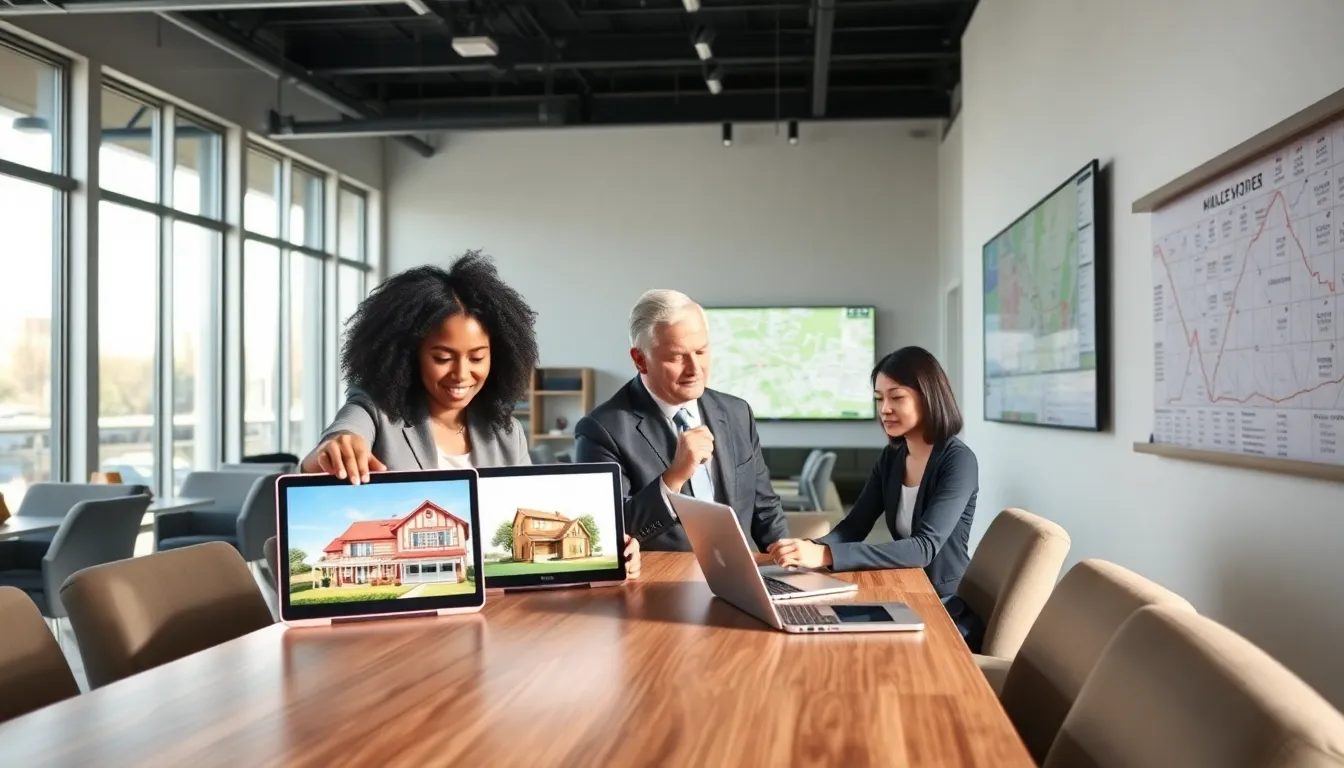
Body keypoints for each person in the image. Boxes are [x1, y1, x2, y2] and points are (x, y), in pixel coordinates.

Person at [302, 251, 640, 579]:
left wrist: (610, 548)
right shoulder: (377, 411)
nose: (462, 375)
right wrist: (335, 447)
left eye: (477, 357)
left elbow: (527, 514)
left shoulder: (506, 432)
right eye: (443, 357)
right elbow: (345, 431)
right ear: (409, 355)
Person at [767, 346, 982, 649]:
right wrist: (811, 548)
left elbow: (924, 548)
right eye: (880, 399)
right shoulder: (893, 457)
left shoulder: (958, 461)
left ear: (928, 396)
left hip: (942, 602)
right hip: (903, 588)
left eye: (897, 397)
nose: (884, 409)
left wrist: (827, 557)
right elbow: (854, 526)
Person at [574, 289, 789, 552]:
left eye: (700, 352)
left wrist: (788, 560)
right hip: (661, 585)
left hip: (741, 579)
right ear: (640, 359)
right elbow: (606, 533)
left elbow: (764, 507)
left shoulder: (737, 412)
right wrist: (673, 477)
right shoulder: (601, 430)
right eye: (677, 357)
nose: (695, 369)